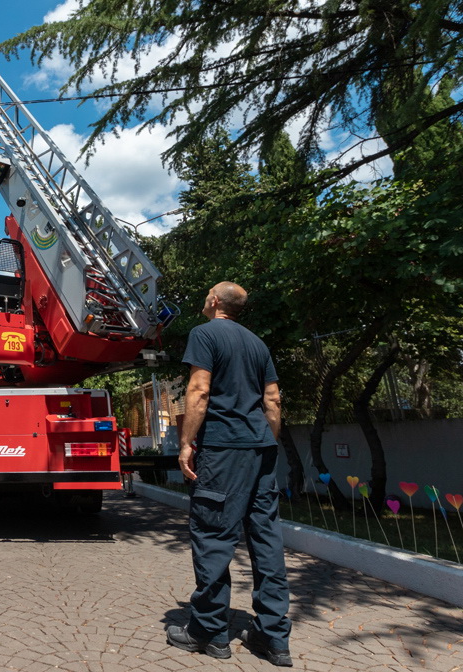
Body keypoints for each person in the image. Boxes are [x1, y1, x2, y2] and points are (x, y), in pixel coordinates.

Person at [167, 282, 293, 667]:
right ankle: (274, 639)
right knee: (266, 538)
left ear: (215, 302)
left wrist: (187, 442)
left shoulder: (204, 334)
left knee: (213, 535)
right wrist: (266, 443)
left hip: (222, 450)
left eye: (207, 295)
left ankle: (208, 632)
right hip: (261, 449)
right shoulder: (258, 344)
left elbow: (199, 390)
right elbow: (272, 399)